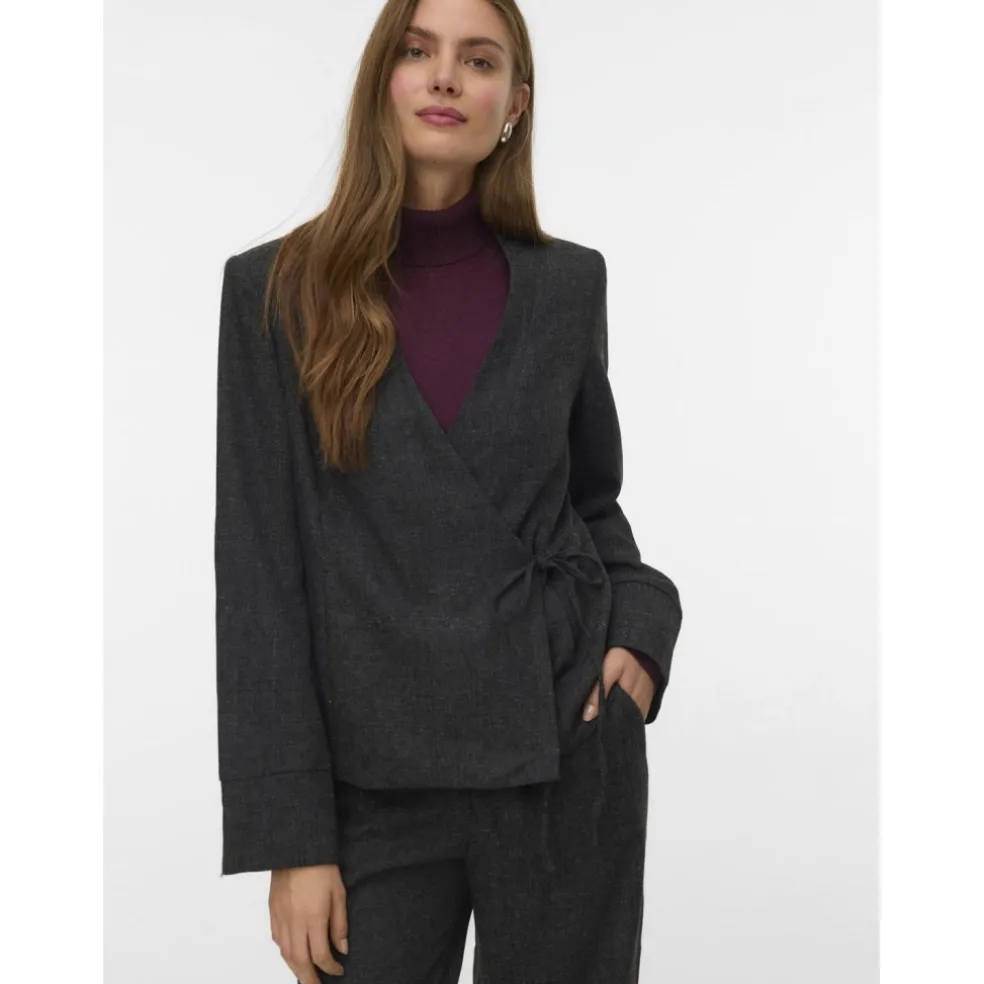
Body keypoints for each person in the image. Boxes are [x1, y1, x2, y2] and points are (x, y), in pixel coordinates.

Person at [214, 0, 682, 980]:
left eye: (478, 60)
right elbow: (260, 577)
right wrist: (292, 838)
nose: (444, 77)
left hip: (562, 751)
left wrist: (640, 632)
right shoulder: (276, 291)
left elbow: (590, 504)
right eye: (418, 51)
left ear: (514, 104)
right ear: (380, 79)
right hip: (369, 787)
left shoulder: (567, 285)